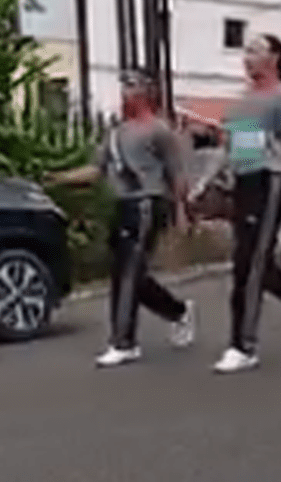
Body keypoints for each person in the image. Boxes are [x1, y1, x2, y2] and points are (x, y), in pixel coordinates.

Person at [50, 69, 196, 368]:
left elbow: (177, 173)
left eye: (130, 87)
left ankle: (123, 342)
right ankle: (177, 311)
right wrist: (58, 178)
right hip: (123, 205)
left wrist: (181, 212)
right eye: (124, 87)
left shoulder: (159, 130)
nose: (124, 93)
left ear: (145, 93)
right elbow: (96, 170)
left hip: (148, 202)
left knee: (129, 271)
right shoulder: (116, 133)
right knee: (127, 272)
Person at [204, 34, 281, 374]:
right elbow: (238, 149)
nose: (247, 57)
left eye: (255, 51)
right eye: (246, 51)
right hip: (245, 183)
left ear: (275, 58)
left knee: (249, 265)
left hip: (270, 181)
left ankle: (242, 345)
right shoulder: (243, 103)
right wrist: (207, 183)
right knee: (256, 264)